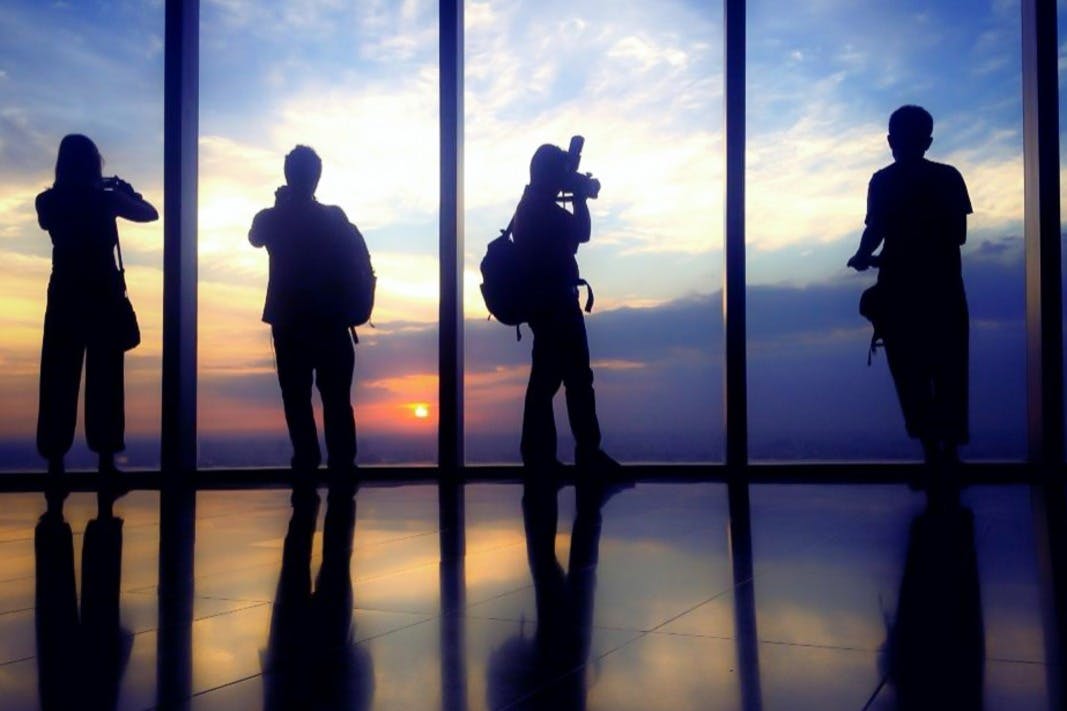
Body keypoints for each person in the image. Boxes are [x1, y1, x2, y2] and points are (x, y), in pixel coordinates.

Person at [848, 106, 972, 466]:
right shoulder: (949, 177)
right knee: (949, 369)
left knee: (910, 373)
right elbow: (957, 235)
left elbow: (876, 231)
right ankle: (947, 453)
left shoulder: (883, 181)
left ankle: (931, 452)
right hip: (944, 289)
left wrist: (863, 255)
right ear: (928, 141)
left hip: (900, 292)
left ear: (890, 141)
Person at [36, 134, 158, 480]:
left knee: (59, 378)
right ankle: (105, 461)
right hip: (103, 294)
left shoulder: (48, 201)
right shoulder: (106, 201)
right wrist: (126, 192)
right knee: (106, 380)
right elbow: (150, 214)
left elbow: (49, 219)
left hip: (64, 295)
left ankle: (55, 463)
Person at [249, 145, 369, 489]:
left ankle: (306, 460)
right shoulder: (334, 217)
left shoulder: (274, 218)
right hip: (332, 321)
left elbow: (255, 237)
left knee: (296, 396)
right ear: (317, 177)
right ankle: (343, 464)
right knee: (336, 398)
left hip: (290, 322)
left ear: (288, 175)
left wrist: (280, 205)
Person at [513, 142, 617, 474]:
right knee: (572, 381)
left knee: (548, 382)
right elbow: (581, 234)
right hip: (557, 305)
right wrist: (580, 198)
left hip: (546, 305)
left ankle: (539, 458)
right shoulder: (540, 210)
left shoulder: (529, 207)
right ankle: (582, 454)